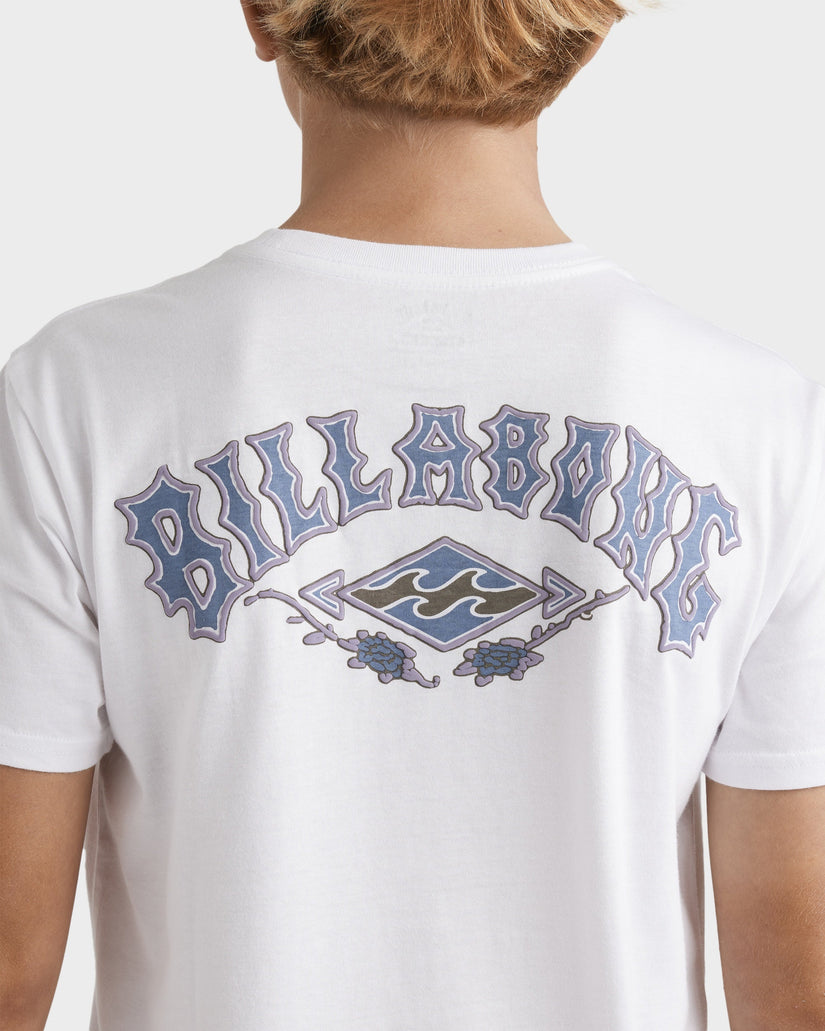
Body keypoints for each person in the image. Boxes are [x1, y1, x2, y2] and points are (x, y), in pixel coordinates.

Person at [1, 0, 824, 1028]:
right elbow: (793, 980)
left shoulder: (80, 391)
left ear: (260, 14)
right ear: (588, 29)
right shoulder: (754, 419)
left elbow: (10, 961)